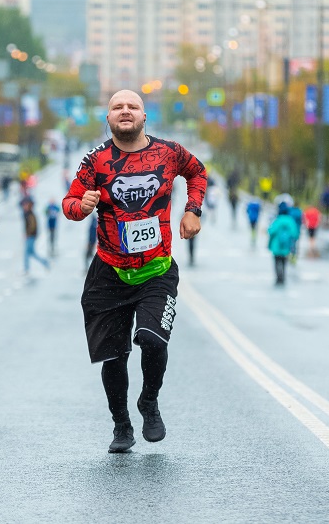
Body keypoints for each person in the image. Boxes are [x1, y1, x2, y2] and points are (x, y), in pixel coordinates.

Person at [63, 90, 207, 453]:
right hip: (109, 272)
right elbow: (69, 204)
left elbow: (198, 173)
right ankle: (121, 424)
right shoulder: (95, 161)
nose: (125, 111)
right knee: (113, 355)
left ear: (145, 116)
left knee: (153, 339)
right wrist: (82, 205)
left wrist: (192, 210)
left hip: (156, 269)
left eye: (132, 106)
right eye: (117, 107)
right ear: (108, 118)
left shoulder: (169, 153)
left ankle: (149, 401)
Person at [267, 202, 298, 286]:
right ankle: (283, 277)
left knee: (277, 262)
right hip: (286, 246)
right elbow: (295, 233)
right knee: (284, 262)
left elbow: (271, 231)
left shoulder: (277, 220)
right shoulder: (290, 220)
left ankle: (278, 278)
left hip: (276, 246)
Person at [22, 197, 50, 275]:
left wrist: (28, 234)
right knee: (31, 253)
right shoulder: (27, 213)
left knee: (28, 253)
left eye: (26, 205)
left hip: (31, 236)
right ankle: (44, 262)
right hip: (31, 236)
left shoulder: (30, 214)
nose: (24, 206)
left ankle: (27, 269)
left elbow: (33, 226)